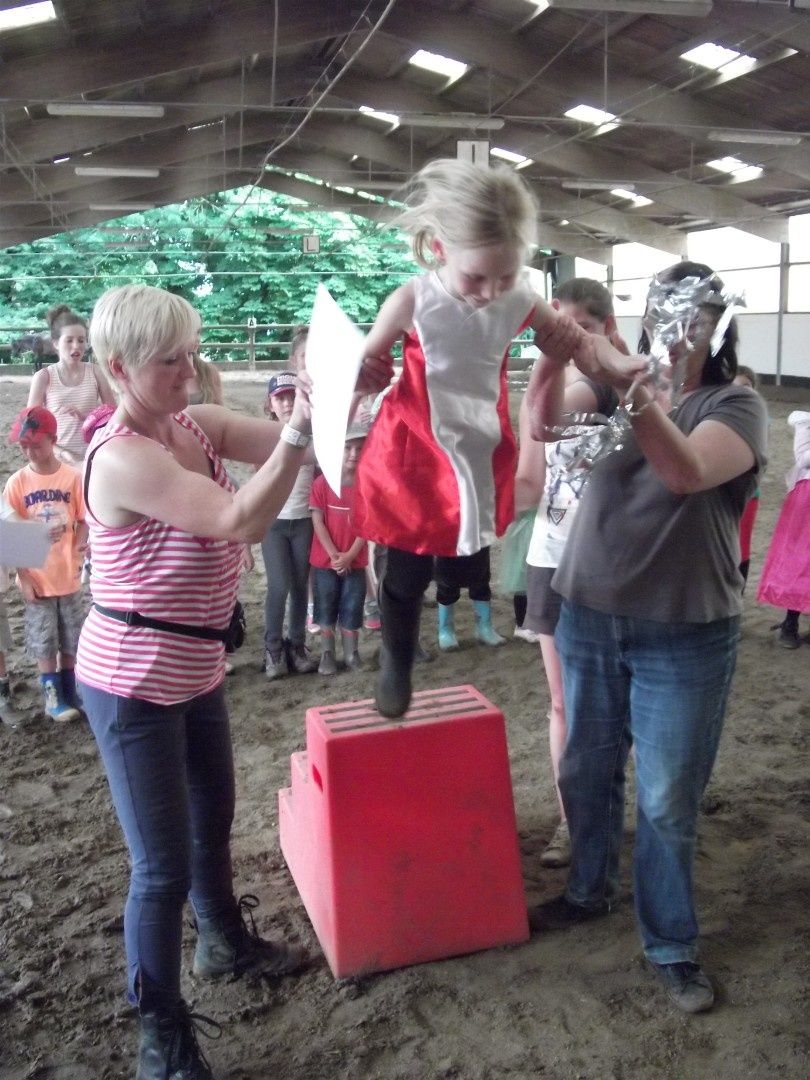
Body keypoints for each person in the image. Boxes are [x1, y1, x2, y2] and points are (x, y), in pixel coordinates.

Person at [74, 283, 388, 1078]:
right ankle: (160, 1033)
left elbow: (306, 447)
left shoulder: (193, 424)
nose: (190, 370)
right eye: (168, 361)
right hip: (133, 682)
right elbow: (240, 517)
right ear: (119, 368)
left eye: (192, 353)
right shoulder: (123, 456)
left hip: (195, 665)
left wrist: (349, 390)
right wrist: (302, 428)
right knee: (159, 869)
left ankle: (222, 943)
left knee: (212, 823)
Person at [526, 262, 768, 1015]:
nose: (680, 331)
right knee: (584, 770)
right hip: (589, 613)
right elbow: (543, 428)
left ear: (720, 330)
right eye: (667, 314)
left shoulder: (735, 404)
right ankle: (588, 889)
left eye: (697, 319)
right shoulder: (606, 386)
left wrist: (632, 389)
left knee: (666, 798)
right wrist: (553, 357)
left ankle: (670, 942)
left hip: (685, 629)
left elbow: (684, 472)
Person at [351, 157, 641, 718]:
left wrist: (615, 361)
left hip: (477, 444)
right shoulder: (411, 299)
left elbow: (579, 343)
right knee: (407, 568)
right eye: (476, 277)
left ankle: (444, 616)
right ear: (440, 248)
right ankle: (397, 655)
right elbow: (366, 363)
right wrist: (365, 375)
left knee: (464, 562)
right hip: (413, 447)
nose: (490, 292)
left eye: (505, 277)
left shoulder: (520, 298)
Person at [521, 278, 622, 869]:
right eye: (555, 327)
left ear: (607, 328)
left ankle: (601, 815)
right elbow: (530, 482)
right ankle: (570, 821)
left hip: (606, 564)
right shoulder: (545, 385)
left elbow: (552, 420)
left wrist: (553, 361)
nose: (567, 339)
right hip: (551, 556)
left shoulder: (609, 387)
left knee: (604, 709)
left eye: (579, 328)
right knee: (562, 705)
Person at [3, 406, 87, 722]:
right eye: (24, 445)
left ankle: (71, 691)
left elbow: (84, 519)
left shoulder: (72, 477)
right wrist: (23, 578)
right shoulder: (17, 482)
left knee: (72, 636)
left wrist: (80, 549)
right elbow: (11, 536)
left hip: (67, 573)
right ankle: (52, 696)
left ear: (53, 439)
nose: (29, 451)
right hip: (37, 577)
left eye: (36, 444)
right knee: (44, 639)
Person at [260, 370, 317, 679]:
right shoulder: (264, 436)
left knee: (299, 585)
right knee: (279, 585)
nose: (286, 403)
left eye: (291, 396)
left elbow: (319, 476)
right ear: (270, 404)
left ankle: (297, 645)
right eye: (280, 398)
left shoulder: (313, 433)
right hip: (275, 523)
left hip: (303, 520)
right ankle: (272, 648)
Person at [309, 424, 369, 675]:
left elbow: (367, 525)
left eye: (359, 448)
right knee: (325, 605)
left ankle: (352, 653)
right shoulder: (322, 483)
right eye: (347, 448)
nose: (353, 454)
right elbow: (317, 521)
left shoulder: (366, 485)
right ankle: (327, 653)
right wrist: (335, 556)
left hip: (355, 561)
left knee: (353, 605)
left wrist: (350, 556)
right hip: (325, 562)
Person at [27, 305, 116, 464]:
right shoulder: (43, 377)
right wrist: (61, 453)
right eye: (69, 340)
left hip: (92, 456)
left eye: (81, 340)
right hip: (56, 459)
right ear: (55, 343)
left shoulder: (96, 372)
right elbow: (31, 427)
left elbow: (112, 416)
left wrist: (87, 418)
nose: (76, 346)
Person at [757, 408, 810, 648]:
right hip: (806, 499)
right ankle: (790, 623)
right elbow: (804, 459)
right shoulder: (805, 422)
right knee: (799, 559)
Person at [435, 547, 506, 650]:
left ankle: (484, 627)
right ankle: (445, 630)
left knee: (480, 575)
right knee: (447, 580)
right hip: (448, 541)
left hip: (477, 540)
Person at [733, 366, 762, 587]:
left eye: (746, 386)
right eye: (734, 387)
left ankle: (739, 591)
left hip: (747, 493)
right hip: (720, 491)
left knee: (742, 544)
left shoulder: (758, 419)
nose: (741, 391)